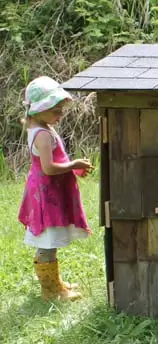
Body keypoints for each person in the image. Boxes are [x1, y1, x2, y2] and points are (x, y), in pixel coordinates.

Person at [18, 76, 92, 302]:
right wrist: (74, 164)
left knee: (49, 242)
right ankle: (50, 291)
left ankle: (55, 283)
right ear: (39, 110)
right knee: (47, 241)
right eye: (55, 110)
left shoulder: (42, 127)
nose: (60, 115)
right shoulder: (41, 134)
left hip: (47, 193)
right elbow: (49, 168)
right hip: (46, 196)